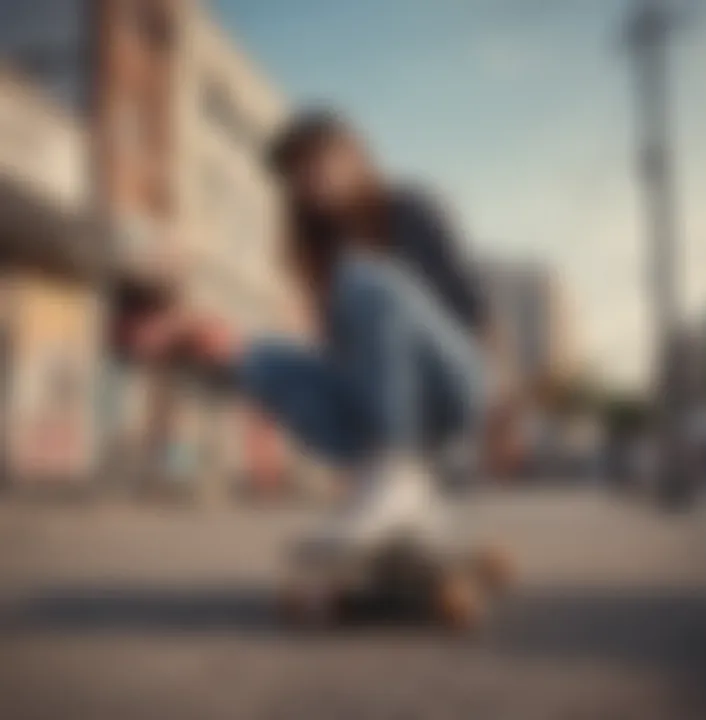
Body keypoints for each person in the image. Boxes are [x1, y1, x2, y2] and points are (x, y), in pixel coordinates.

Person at [133, 110, 515, 550]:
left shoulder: (407, 208)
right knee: (260, 356)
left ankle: (397, 476)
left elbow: (481, 317)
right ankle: (394, 486)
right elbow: (342, 357)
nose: (312, 182)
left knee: (363, 276)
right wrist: (210, 339)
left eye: (319, 164)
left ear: (355, 155)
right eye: (298, 175)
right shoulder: (318, 249)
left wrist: (503, 415)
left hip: (454, 383)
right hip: (386, 408)